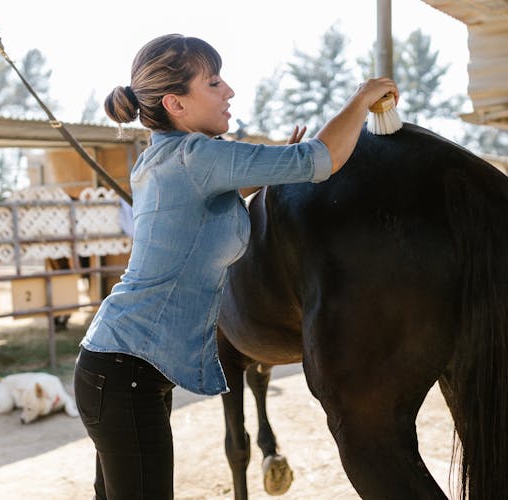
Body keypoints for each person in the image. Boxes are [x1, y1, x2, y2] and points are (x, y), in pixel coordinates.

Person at [74, 33, 398, 499]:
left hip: (115, 367)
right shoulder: (197, 156)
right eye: (213, 82)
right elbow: (319, 159)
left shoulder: (159, 158)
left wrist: (267, 170)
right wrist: (362, 97)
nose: (228, 91)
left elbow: (200, 210)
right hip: (125, 374)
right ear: (176, 103)